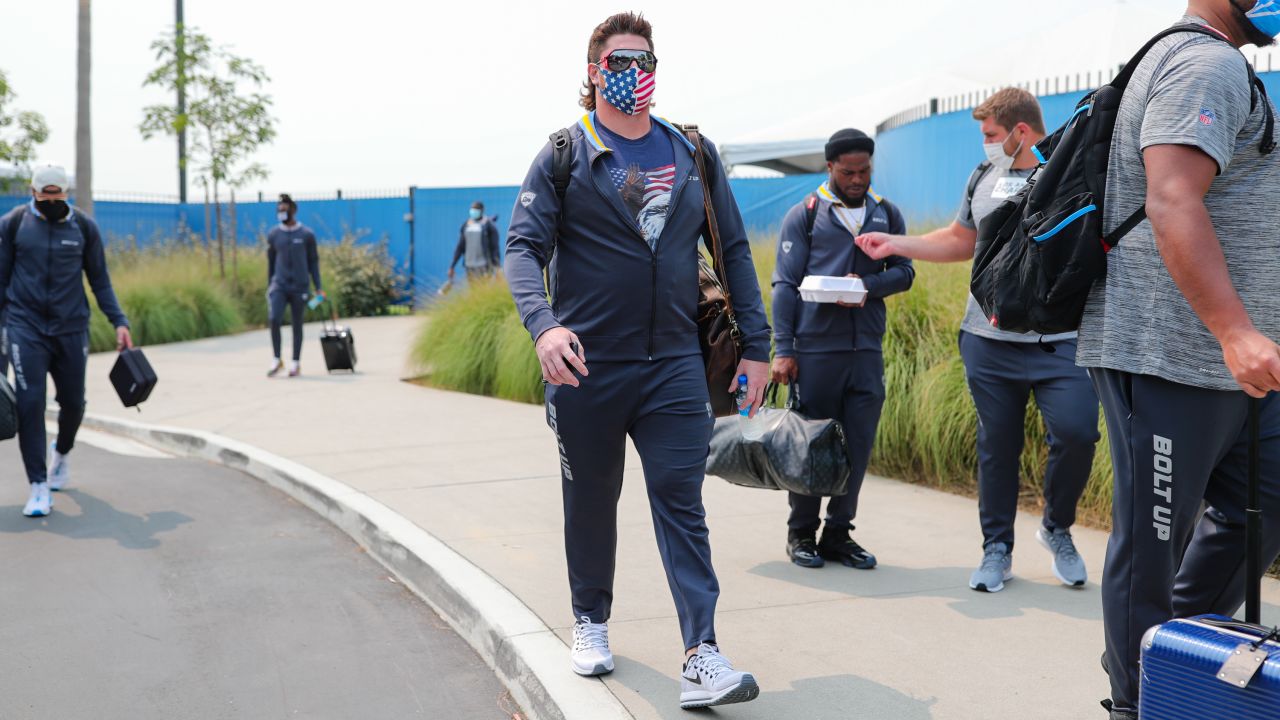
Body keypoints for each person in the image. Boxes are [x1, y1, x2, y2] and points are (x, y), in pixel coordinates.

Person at [505, 12, 769, 710]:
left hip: (675, 366)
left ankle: (701, 653)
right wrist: (544, 328)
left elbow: (733, 250)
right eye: (619, 59)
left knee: (682, 503)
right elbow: (523, 249)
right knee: (590, 501)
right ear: (593, 71)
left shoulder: (691, 151)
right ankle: (590, 619)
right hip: (586, 368)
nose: (633, 69)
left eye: (644, 57)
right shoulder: (564, 152)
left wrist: (760, 350)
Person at [1070, 4, 1280, 717]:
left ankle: (1170, 653)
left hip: (1236, 365)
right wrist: (1232, 330)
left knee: (1260, 511)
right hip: (1169, 353)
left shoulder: (1222, 65)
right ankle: (1141, 702)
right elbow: (1171, 196)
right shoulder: (1205, 63)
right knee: (1154, 542)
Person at [857, 88, 1101, 593]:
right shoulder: (982, 177)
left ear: (1021, 131)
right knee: (997, 447)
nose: (986, 144)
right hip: (988, 340)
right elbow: (959, 240)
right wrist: (895, 244)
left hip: (1060, 340)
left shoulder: (1070, 169)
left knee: (1077, 433)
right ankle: (997, 549)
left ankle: (1057, 528)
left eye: (991, 135)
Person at [770, 128, 914, 570]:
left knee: (858, 445)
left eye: (864, 170)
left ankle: (837, 533)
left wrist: (867, 286)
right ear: (829, 167)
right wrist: (784, 349)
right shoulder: (806, 215)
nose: (857, 179)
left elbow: (905, 272)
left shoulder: (886, 213)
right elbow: (784, 286)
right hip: (816, 353)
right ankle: (801, 534)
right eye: (848, 172)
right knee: (812, 445)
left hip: (866, 351)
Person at [0, 165, 132, 517]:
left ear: (67, 195)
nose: (52, 203)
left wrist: (119, 321)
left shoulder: (84, 227)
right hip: (25, 327)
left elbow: (100, 280)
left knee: (74, 403)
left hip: (71, 328)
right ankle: (38, 485)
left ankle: (62, 454)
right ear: (33, 192)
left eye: (58, 198)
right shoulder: (14, 224)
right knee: (30, 403)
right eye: (45, 197)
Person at [266, 193, 323, 378]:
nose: (282, 212)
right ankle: (276, 359)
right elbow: (271, 262)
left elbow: (313, 262)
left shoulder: (306, 234)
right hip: (279, 285)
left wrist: (318, 287)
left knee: (297, 324)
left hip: (300, 286)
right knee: (274, 318)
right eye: (279, 209)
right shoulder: (274, 234)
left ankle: (295, 362)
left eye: (285, 209)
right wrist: (270, 285)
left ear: (293, 210)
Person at [448, 201, 500, 280]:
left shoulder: (488, 225)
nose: (473, 212)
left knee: (484, 290)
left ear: (481, 211)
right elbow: (460, 247)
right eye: (472, 209)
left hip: (484, 265)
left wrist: (497, 267)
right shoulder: (466, 225)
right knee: (473, 290)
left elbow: (494, 248)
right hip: (469, 266)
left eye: (476, 209)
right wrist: (452, 266)